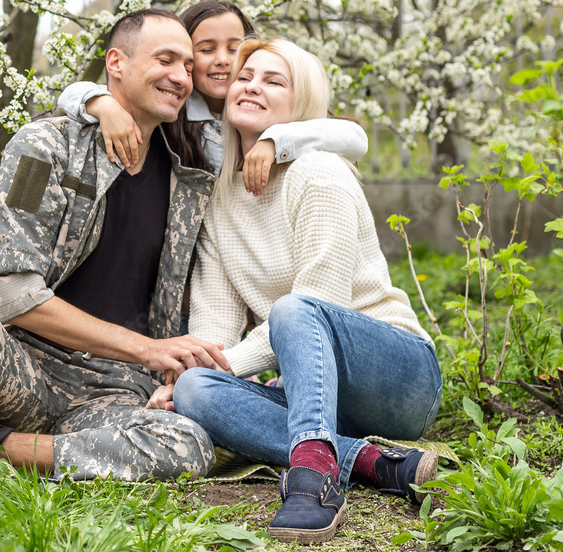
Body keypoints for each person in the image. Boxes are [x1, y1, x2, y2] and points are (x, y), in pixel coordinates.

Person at [0, 9, 234, 505]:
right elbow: (13, 295)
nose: (180, 76)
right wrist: (147, 348)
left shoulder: (188, 184)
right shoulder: (40, 151)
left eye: (188, 67)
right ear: (116, 64)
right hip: (25, 367)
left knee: (187, 445)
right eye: (166, 59)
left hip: (115, 390)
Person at [151, 39, 443, 545]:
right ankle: (372, 461)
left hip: (398, 378)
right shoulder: (221, 197)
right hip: (314, 389)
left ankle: (314, 478)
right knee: (198, 389)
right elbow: (215, 325)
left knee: (294, 309)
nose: (251, 86)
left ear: (299, 106)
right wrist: (190, 375)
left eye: (273, 80)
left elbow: (317, 306)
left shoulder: (320, 174)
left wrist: (231, 366)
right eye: (246, 77)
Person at [59, 0, 368, 191]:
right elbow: (72, 93)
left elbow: (354, 137)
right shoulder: (172, 111)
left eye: (234, 49)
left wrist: (275, 141)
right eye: (206, 50)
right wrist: (103, 106)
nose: (223, 59)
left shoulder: (268, 106)